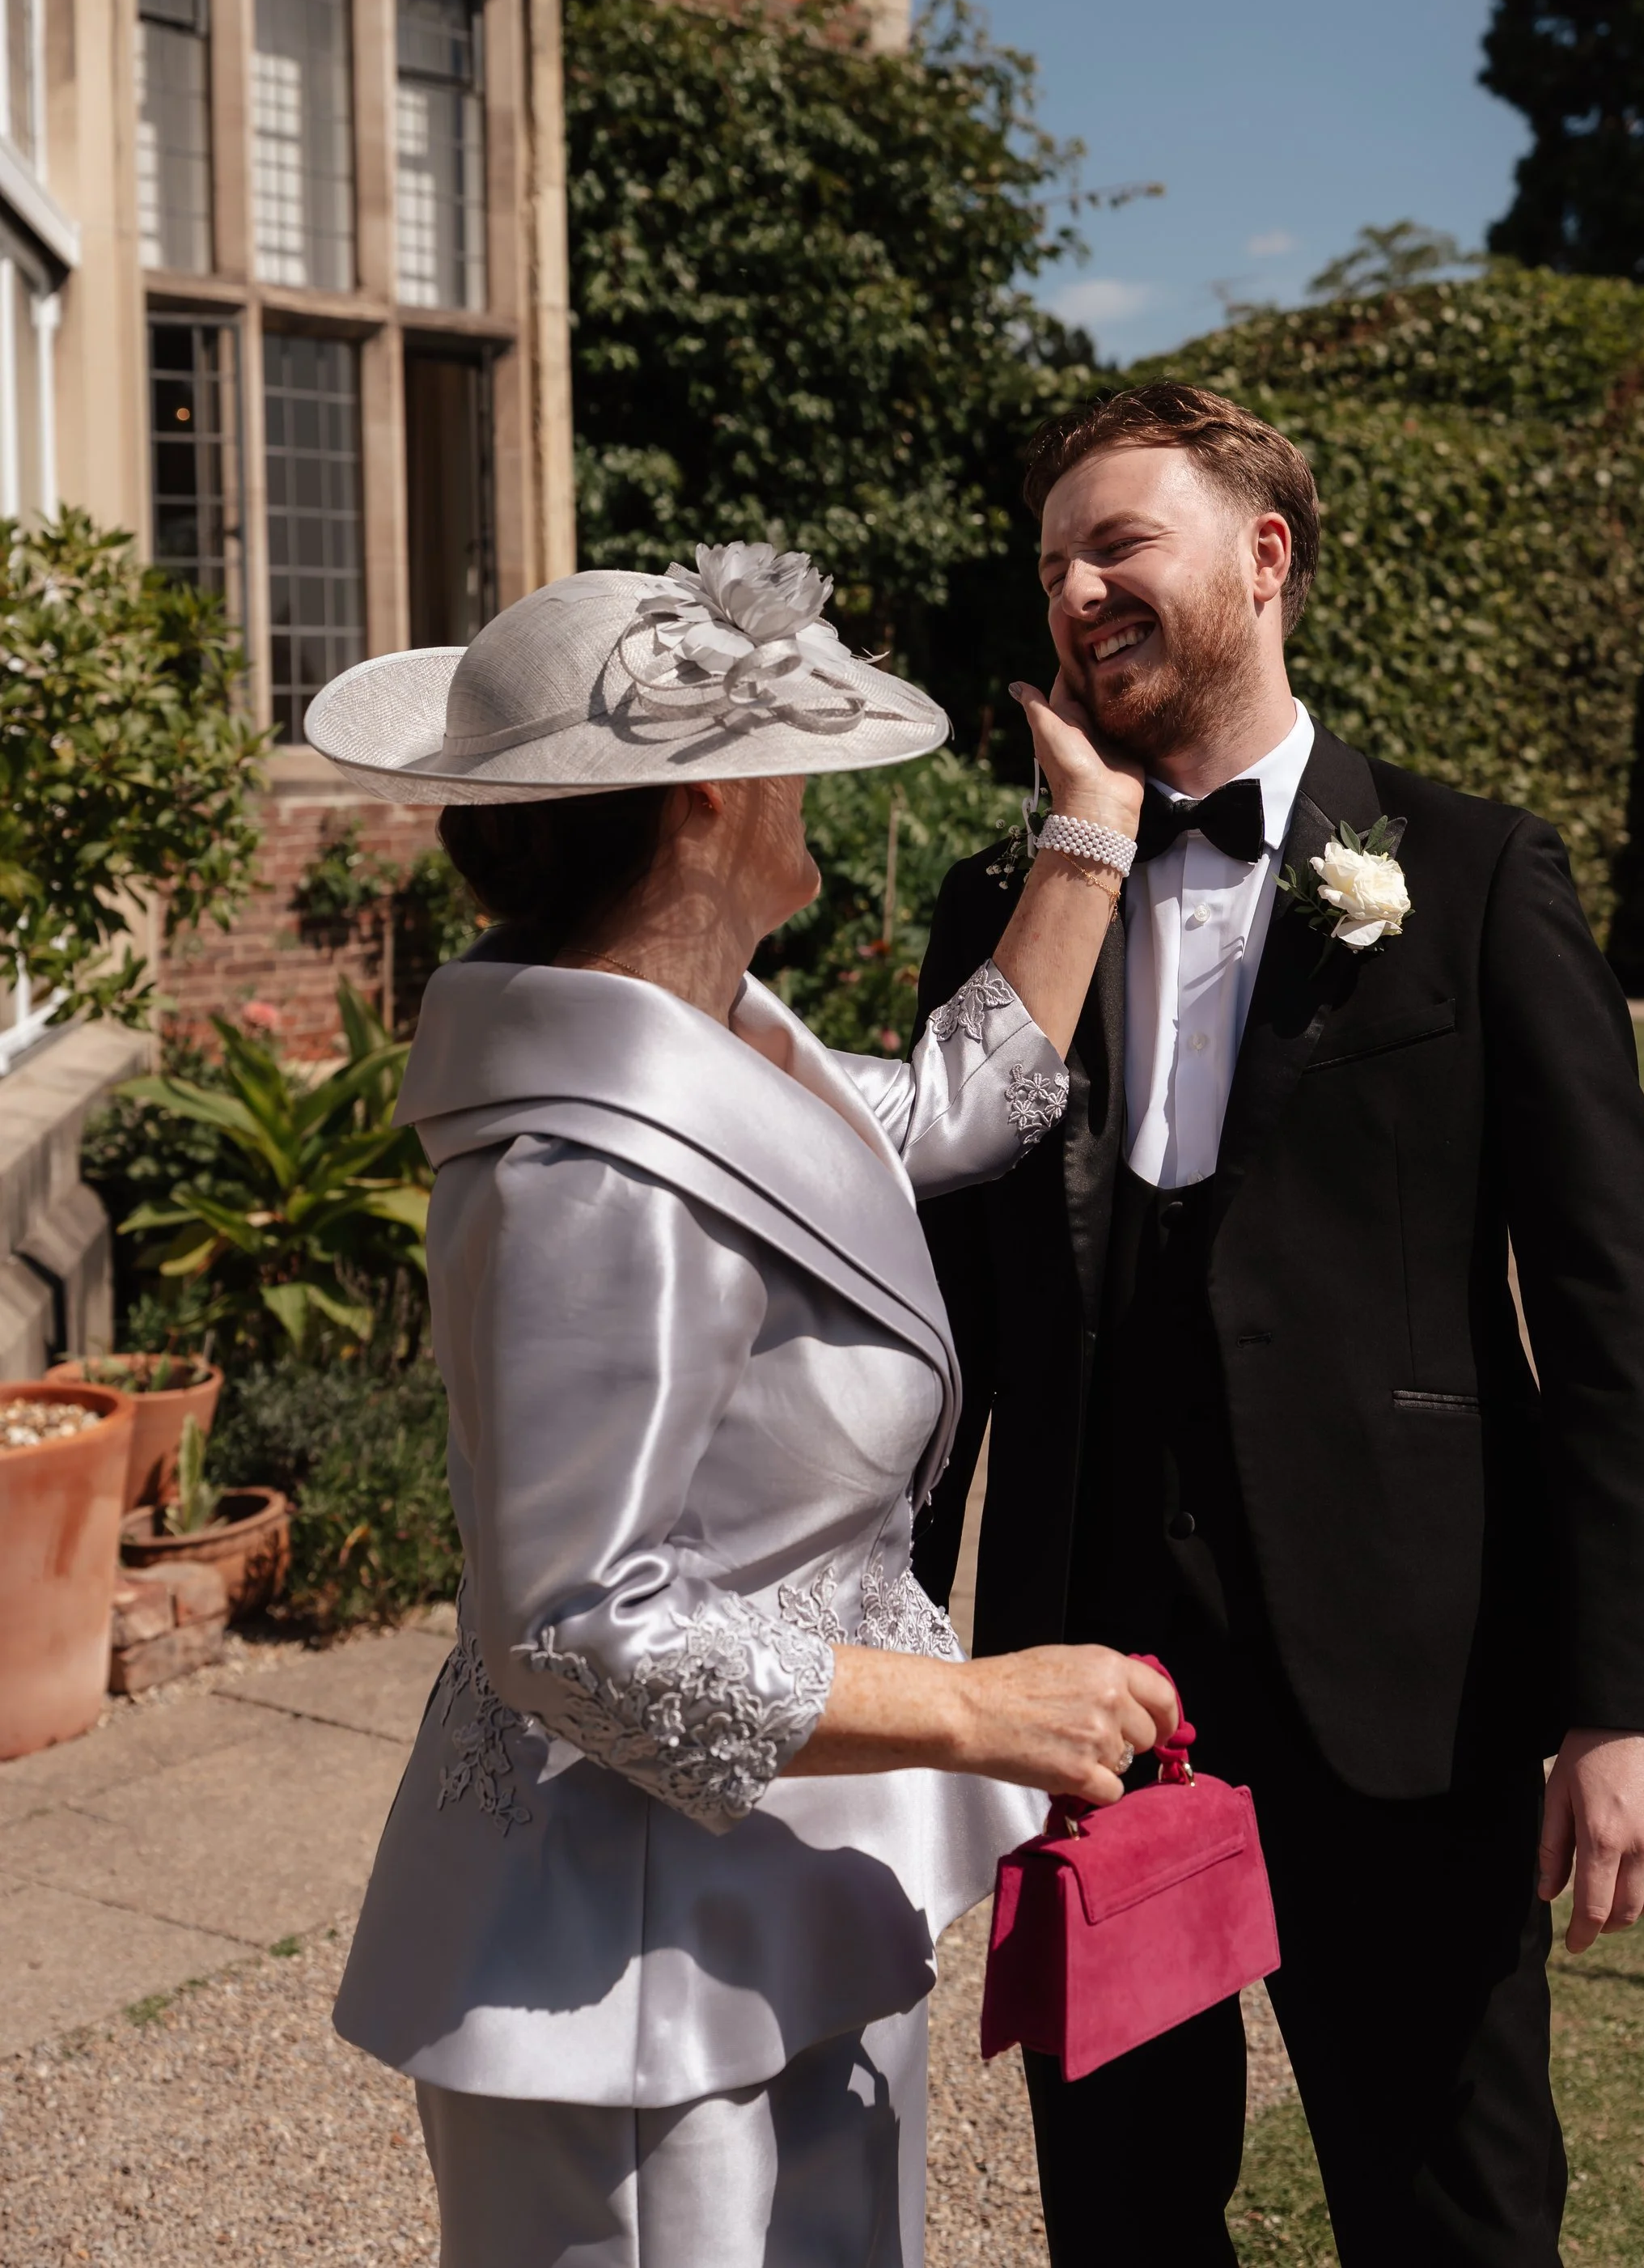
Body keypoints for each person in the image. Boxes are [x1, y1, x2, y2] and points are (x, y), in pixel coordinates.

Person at [911, 384, 1644, 2267]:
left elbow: (1613, 1315)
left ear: (1263, 558)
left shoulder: (1469, 874)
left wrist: (1632, 1699)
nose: (1077, 594)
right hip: (1092, 1690)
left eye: (1119, 545)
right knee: (1117, 2214)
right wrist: (892, 1678)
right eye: (1052, 566)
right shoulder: (1002, 907)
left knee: (1449, 2205)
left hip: (1407, 1684)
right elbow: (936, 1330)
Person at [303, 543, 1172, 2268]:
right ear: (707, 791)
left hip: (763, 1893)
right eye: (789, 742)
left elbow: (935, 1115)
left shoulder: (712, 1030)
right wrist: (976, 1710)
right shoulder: (583, 1162)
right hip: (619, 1977)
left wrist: (1090, 836)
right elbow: (570, 1629)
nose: (815, 783)